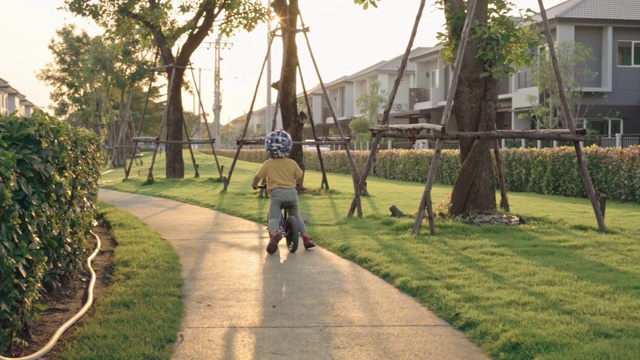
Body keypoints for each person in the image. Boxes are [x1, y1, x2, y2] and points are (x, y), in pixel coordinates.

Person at [251, 130, 316, 254]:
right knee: (296, 217)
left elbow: (257, 177)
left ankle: (274, 235)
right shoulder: (292, 163)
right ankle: (306, 237)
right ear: (288, 148)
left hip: (277, 195)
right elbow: (300, 175)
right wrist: (296, 183)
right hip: (292, 194)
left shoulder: (268, 163)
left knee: (274, 216)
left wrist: (254, 185)